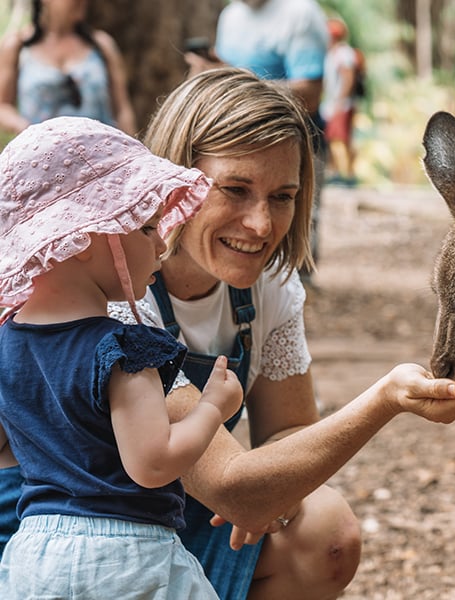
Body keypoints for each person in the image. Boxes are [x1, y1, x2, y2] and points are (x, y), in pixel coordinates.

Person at [0, 67, 455, 600]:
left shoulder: (268, 290)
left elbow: (286, 431)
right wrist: (382, 401)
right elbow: (205, 479)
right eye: (235, 190)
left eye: (283, 196)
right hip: (65, 536)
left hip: (162, 522)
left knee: (325, 533)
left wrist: (275, 489)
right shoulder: (113, 306)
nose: (261, 225)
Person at [0, 116, 243, 597]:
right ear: (87, 237)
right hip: (128, 558)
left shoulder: (7, 341)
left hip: (32, 559)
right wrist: (214, 408)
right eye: (147, 226)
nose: (161, 243)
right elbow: (153, 463)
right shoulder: (123, 347)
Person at [204, 0, 330, 281]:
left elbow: (310, 93)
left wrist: (242, 86)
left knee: (301, 216)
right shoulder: (231, 15)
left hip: (297, 141)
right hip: (236, 142)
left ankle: (297, 282)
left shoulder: (300, 13)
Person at [0, 0, 136, 135]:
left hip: (101, 151)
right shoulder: (18, 46)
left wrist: (133, 149)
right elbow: (2, 106)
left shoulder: (101, 45)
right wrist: (26, 128)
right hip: (43, 150)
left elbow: (122, 110)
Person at [322, 16, 359, 187]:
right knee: (331, 138)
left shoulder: (344, 53)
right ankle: (335, 171)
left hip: (341, 103)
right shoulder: (332, 53)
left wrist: (340, 100)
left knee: (342, 139)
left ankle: (349, 174)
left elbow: (348, 77)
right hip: (333, 102)